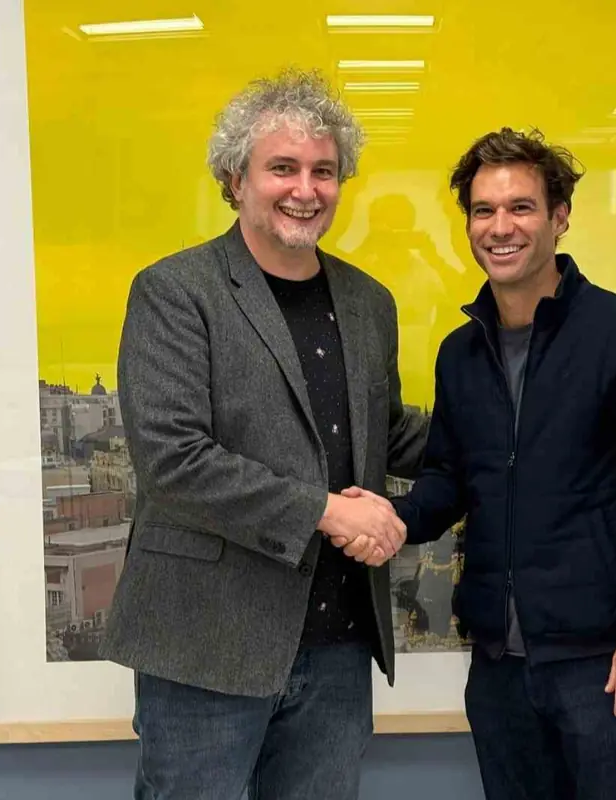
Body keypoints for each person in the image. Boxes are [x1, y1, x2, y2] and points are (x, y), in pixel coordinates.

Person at [100, 66, 428, 800]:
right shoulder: (175, 291)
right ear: (234, 179)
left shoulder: (369, 301)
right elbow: (172, 459)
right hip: (205, 646)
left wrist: (521, 429)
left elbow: (390, 432)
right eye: (282, 167)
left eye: (324, 170)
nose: (305, 189)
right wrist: (329, 510)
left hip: (338, 644)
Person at [374, 127, 616, 799]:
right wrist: (387, 519)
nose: (501, 227)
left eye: (521, 207)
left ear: (560, 218)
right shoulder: (460, 354)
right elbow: (448, 481)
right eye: (484, 210)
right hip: (498, 667)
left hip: (602, 663)